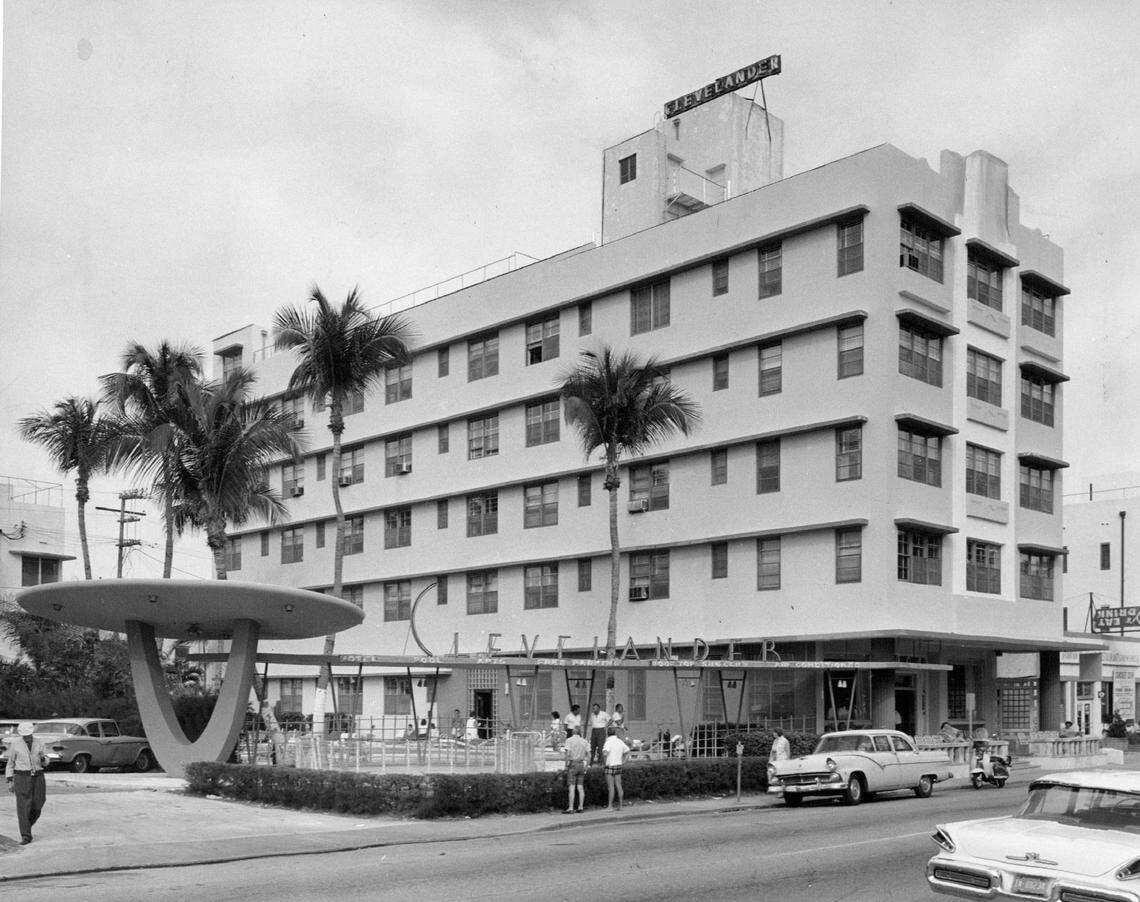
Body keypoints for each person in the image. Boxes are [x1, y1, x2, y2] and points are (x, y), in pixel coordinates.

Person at [5, 722, 47, 845]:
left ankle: (26, 825)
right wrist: (10, 780)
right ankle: (26, 836)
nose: (26, 737)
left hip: (38, 776)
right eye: (24, 735)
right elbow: (10, 764)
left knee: (38, 804)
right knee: (23, 807)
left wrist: (44, 759)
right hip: (21, 776)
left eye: (28, 734)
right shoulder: (15, 744)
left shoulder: (40, 742)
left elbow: (46, 761)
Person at [601, 725, 631, 810]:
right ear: (615, 733)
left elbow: (605, 753)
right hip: (618, 764)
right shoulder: (620, 741)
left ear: (607, 734)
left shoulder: (608, 742)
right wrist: (623, 761)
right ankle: (620, 806)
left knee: (611, 787)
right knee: (619, 785)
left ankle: (610, 806)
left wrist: (604, 762)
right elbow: (628, 752)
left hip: (610, 765)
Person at [562, 726, 590, 813]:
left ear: (573, 732)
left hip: (573, 764)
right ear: (580, 732)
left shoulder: (569, 740)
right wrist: (586, 766)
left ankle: (571, 808)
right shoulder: (585, 741)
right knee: (580, 787)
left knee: (572, 787)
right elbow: (589, 755)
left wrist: (566, 765)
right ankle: (580, 807)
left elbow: (568, 754)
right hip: (581, 764)